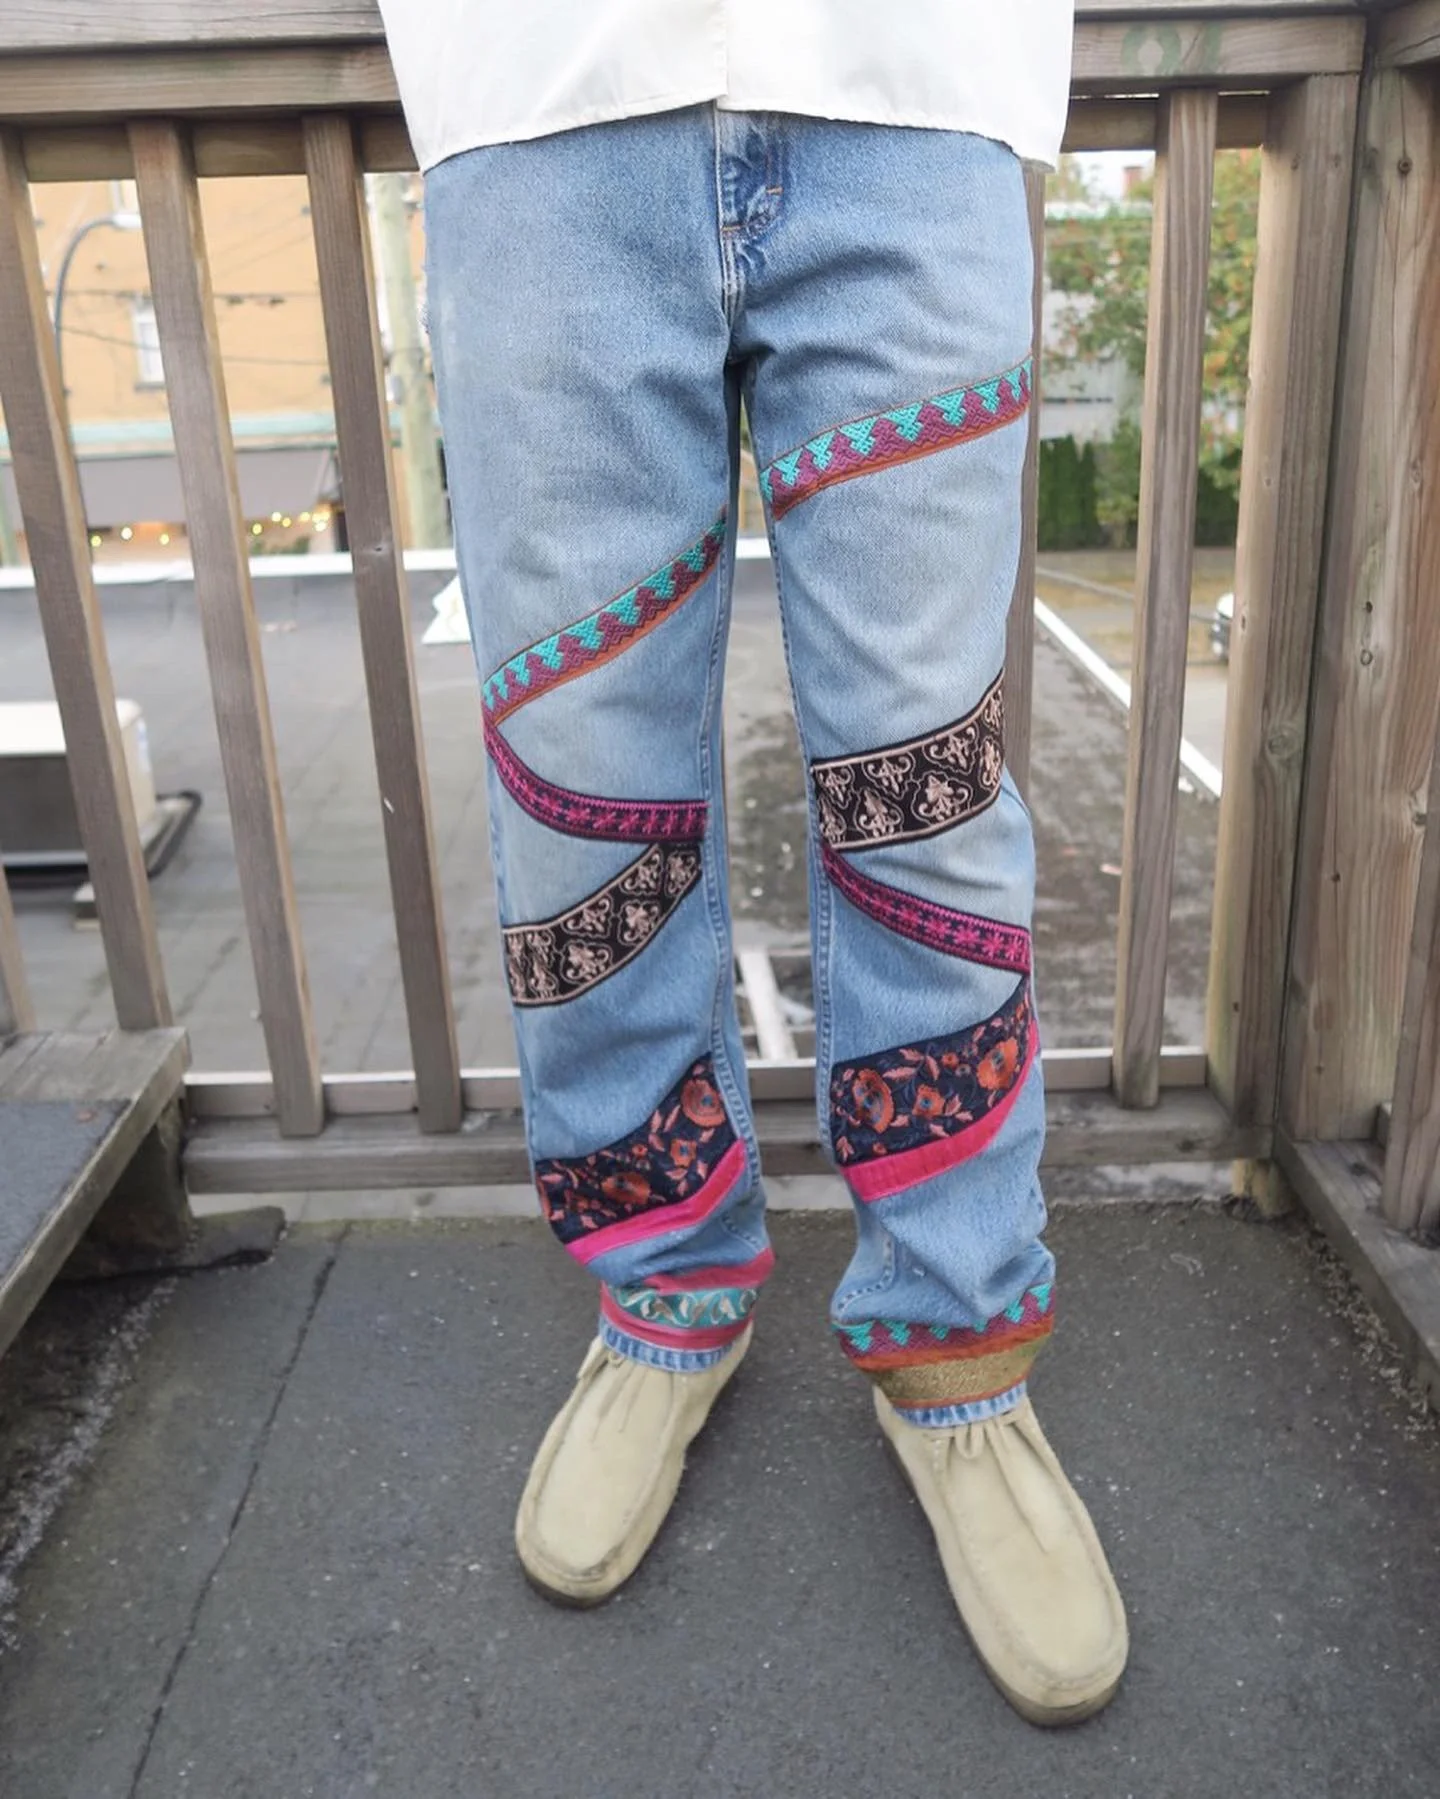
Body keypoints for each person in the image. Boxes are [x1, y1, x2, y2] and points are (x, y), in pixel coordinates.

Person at [377, 0, 1127, 1726]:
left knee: (929, 793)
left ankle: (959, 1340)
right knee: (579, 802)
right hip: (541, 98)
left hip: (913, 85)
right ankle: (665, 1288)